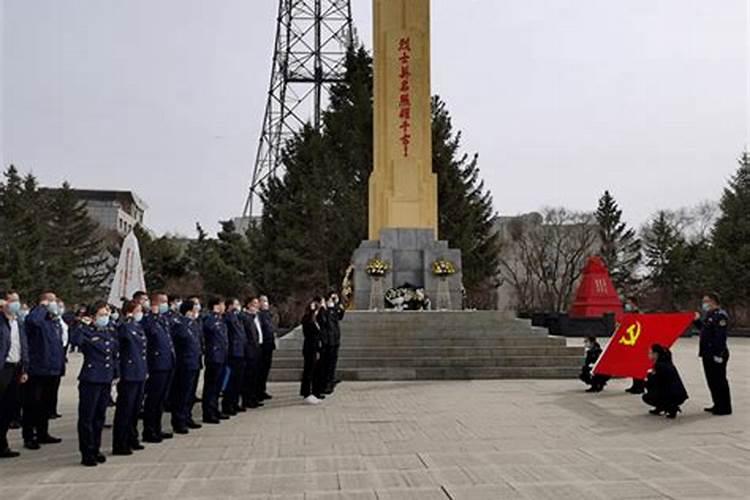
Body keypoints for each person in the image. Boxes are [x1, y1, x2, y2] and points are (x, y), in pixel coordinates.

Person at [75, 302, 118, 466]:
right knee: (87, 417)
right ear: (93, 317)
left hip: (105, 378)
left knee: (100, 416)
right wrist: (81, 324)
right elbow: (76, 340)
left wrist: (115, 373)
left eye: (106, 314)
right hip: (91, 378)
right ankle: (87, 451)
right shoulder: (86, 331)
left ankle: (96, 448)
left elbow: (113, 353)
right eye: (101, 314)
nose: (105, 317)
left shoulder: (108, 331)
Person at [23, 292, 65, 449]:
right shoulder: (37, 317)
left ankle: (43, 433)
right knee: (32, 404)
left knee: (45, 405)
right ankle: (29, 436)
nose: (56, 304)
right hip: (37, 369)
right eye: (52, 301)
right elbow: (33, 321)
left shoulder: (53, 321)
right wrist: (42, 307)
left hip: (52, 369)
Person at [113, 300, 148, 455]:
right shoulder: (125, 327)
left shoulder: (137, 327)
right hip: (129, 373)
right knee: (125, 410)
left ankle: (132, 438)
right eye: (138, 310)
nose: (140, 313)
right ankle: (120, 443)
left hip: (139, 371)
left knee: (134, 409)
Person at [141, 292, 175, 443]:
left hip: (167, 363)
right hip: (156, 365)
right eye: (163, 302)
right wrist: (153, 315)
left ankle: (157, 427)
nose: (165, 305)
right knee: (153, 400)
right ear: (155, 303)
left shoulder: (163, 319)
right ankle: (149, 430)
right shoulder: (148, 319)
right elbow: (150, 333)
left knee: (161, 399)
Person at [0, 292, 29, 458]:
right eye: (12, 301)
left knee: (9, 408)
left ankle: (2, 444)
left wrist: (25, 368)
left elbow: (23, 345)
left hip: (16, 368)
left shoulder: (19, 322)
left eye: (17, 300)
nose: (15, 304)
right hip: (3, 368)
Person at [694, 293, 732, 416]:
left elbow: (720, 338)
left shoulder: (720, 316)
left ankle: (725, 407)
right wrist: (696, 321)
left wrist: (719, 354)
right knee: (712, 381)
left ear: (713, 301)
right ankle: (717, 404)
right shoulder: (709, 316)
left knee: (719, 381)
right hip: (707, 353)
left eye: (706, 301)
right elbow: (704, 330)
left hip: (716, 354)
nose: (704, 304)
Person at [169, 298, 203, 434]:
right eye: (195, 309)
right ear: (189, 311)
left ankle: (187, 417)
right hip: (185, 363)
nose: (197, 312)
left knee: (190, 393)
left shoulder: (193, 324)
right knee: (182, 394)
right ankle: (179, 420)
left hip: (195, 362)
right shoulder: (180, 325)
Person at [642, 344, 688, 419]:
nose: (649, 355)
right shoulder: (667, 362)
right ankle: (662, 407)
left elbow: (656, 383)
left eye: (650, 353)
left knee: (647, 396)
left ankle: (669, 407)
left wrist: (648, 378)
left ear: (656, 354)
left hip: (672, 395)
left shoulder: (659, 366)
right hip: (679, 394)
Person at [202, 297, 229, 424]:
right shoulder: (210, 319)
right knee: (211, 387)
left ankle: (214, 409)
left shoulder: (220, 319)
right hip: (214, 357)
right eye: (222, 304)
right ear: (216, 306)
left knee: (218, 386)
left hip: (222, 356)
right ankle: (208, 412)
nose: (224, 307)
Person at [222, 298, 247, 416]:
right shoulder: (228, 317)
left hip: (240, 352)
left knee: (238, 381)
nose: (238, 306)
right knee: (231, 382)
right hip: (232, 353)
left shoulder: (238, 317)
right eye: (236, 304)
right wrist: (232, 312)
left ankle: (235, 402)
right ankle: (227, 405)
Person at [239, 298, 263, 409]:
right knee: (248, 376)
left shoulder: (256, 316)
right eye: (254, 304)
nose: (257, 306)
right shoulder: (244, 317)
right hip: (249, 350)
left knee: (255, 375)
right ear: (248, 305)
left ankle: (253, 397)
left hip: (257, 348)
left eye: (257, 304)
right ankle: (247, 399)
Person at [300, 299, 323, 405]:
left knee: (313, 371)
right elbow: (307, 328)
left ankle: (312, 392)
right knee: (308, 371)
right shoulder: (307, 319)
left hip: (315, 347)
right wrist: (311, 311)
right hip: (309, 347)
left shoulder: (315, 320)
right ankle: (306, 393)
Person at [323, 291, 345, 394]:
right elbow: (327, 320)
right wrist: (330, 308)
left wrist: (338, 306)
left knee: (333, 361)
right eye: (332, 298)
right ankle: (327, 382)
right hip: (328, 340)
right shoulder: (325, 310)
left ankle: (331, 379)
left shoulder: (334, 309)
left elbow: (339, 317)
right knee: (327, 362)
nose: (333, 300)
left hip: (335, 339)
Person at [623, 297, 646, 395]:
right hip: (632, 342)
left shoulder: (639, 314)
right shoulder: (631, 314)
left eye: (629, 303)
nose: (627, 305)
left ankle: (640, 386)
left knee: (638, 366)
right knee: (633, 366)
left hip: (639, 343)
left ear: (633, 303)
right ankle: (635, 385)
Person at [257, 296, 276, 401]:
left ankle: (262, 389)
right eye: (263, 301)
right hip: (262, 347)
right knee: (261, 370)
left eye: (266, 301)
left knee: (265, 370)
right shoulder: (259, 315)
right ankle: (258, 391)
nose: (265, 303)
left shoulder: (268, 315)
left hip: (269, 346)